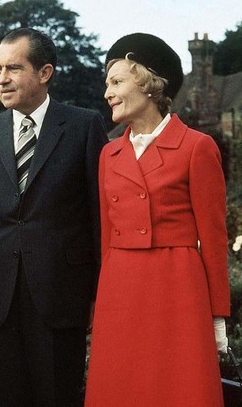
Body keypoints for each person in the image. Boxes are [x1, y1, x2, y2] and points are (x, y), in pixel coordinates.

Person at [0, 28, 108, 406]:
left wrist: (98, 294)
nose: (2, 79)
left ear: (44, 73)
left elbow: (99, 217)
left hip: (62, 296)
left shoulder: (83, 126)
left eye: (13, 68)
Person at [84, 33, 230, 406]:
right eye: (107, 85)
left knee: (179, 389)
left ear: (149, 84)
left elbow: (214, 240)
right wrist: (102, 305)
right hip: (120, 291)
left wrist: (217, 318)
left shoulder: (197, 147)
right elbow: (106, 243)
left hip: (178, 289)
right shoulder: (109, 155)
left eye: (116, 82)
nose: (107, 93)